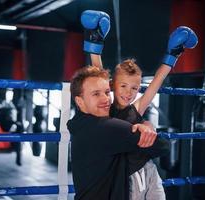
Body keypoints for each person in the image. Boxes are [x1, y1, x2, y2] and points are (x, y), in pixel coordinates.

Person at [80, 10, 198, 200]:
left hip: (150, 169)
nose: (128, 92)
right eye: (123, 86)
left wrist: (172, 54)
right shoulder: (106, 108)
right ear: (112, 86)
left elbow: (155, 84)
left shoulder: (136, 108)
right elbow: (98, 74)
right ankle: (95, 38)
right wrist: (95, 43)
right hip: (128, 176)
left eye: (134, 88)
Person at [67, 65, 170, 200]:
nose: (105, 99)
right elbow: (162, 146)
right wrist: (148, 129)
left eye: (106, 92)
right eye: (96, 94)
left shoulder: (78, 123)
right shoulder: (106, 127)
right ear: (79, 101)